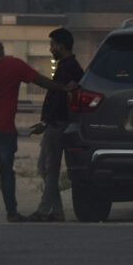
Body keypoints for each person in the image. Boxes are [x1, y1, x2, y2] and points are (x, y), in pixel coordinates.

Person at [0, 35, 75, 222]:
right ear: (1, 48)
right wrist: (64, 88)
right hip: (4, 127)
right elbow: (41, 81)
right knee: (6, 171)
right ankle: (12, 212)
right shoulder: (14, 65)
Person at [27, 28, 84, 222]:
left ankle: (44, 210)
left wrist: (47, 121)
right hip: (54, 123)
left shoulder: (69, 68)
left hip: (58, 124)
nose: (50, 48)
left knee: (49, 168)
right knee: (46, 167)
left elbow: (59, 99)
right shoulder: (69, 66)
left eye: (52, 44)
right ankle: (57, 210)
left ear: (60, 45)